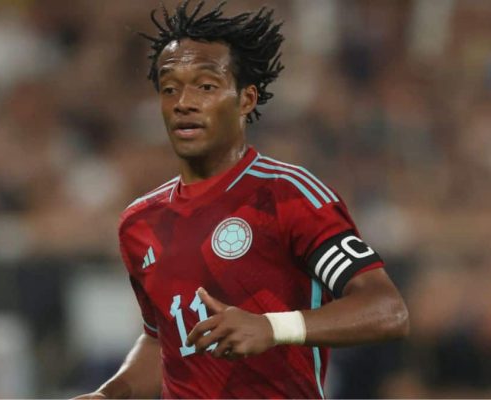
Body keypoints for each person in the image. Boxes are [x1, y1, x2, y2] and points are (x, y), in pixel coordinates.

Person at [76, 1, 409, 398]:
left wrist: (273, 327)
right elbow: (161, 341)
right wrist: (110, 394)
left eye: (205, 86)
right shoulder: (139, 222)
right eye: (170, 88)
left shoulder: (288, 195)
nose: (183, 102)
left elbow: (387, 309)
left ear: (246, 100)